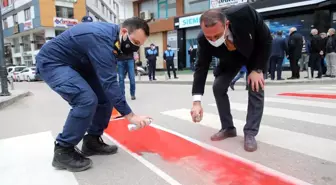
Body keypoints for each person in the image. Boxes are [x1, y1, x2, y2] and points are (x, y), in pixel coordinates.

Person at [35, 17, 152, 172]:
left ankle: (91, 141)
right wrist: (131, 116)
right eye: (135, 42)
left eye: (139, 45)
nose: (135, 48)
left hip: (80, 64)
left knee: (105, 98)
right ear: (124, 32)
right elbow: (110, 82)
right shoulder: (101, 39)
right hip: (54, 63)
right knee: (85, 99)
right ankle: (63, 150)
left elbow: (108, 82)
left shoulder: (116, 38)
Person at [190, 3, 272, 152]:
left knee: (256, 85)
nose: (213, 40)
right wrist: (196, 102)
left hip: (254, 54)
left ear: (226, 24)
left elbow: (266, 39)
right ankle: (228, 128)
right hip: (231, 60)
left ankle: (250, 133)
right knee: (218, 87)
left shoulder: (244, 13)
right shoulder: (203, 39)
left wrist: (257, 69)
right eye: (209, 37)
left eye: (216, 35)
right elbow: (201, 68)